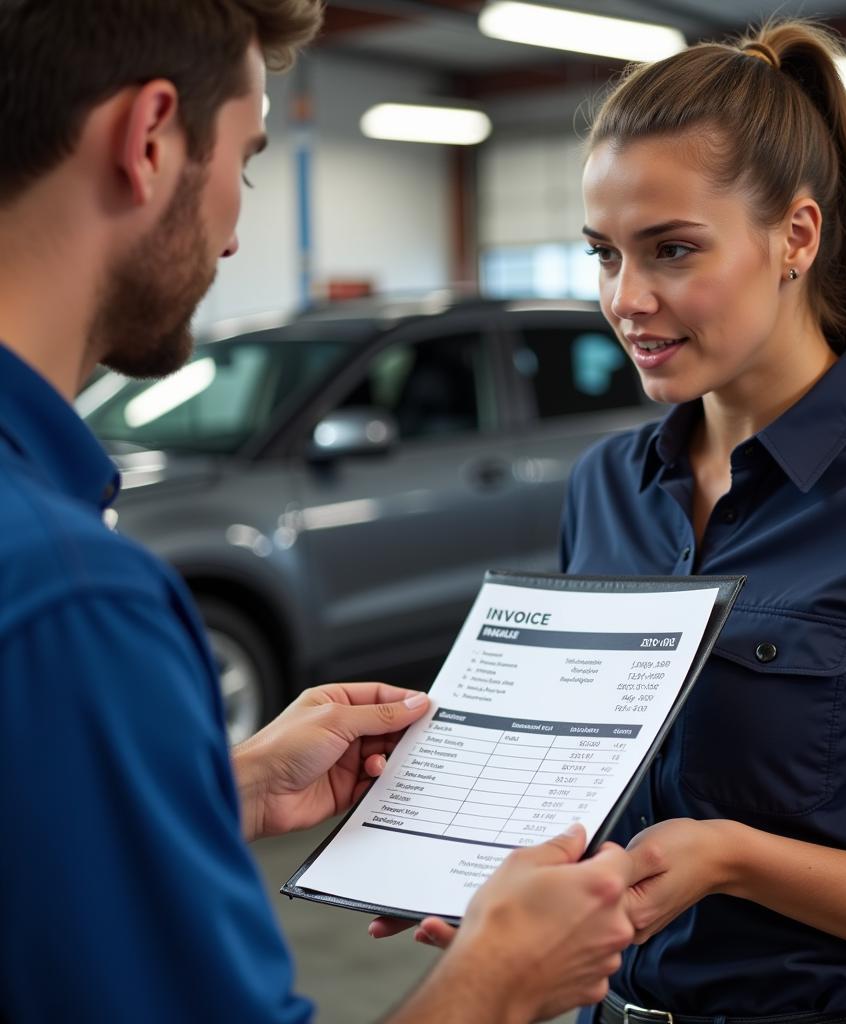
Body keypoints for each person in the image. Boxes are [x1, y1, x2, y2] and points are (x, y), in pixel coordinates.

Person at [0, 2, 636, 1021]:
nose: (237, 231)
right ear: (151, 139)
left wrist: (220, 786)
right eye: (245, 161)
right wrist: (502, 978)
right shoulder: (74, 597)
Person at [554, 17, 846, 1024]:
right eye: (603, 255)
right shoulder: (603, 487)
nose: (627, 299)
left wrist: (735, 859)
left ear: (795, 238)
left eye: (671, 250)